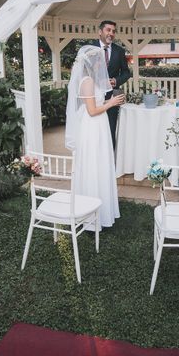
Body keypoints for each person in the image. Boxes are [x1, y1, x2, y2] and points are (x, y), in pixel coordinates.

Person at [65, 45, 126, 229]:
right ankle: (92, 216)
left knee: (98, 165)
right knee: (94, 165)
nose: (102, 65)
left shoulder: (89, 80)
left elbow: (94, 103)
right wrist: (112, 103)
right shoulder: (88, 82)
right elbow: (92, 111)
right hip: (92, 126)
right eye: (99, 61)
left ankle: (101, 208)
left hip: (96, 125)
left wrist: (107, 101)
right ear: (92, 63)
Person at [93, 20, 131, 148]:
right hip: (93, 97)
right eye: (108, 30)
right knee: (95, 131)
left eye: (113, 31)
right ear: (100, 32)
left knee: (110, 129)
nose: (111, 33)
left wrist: (116, 80)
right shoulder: (90, 49)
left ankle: (111, 164)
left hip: (112, 98)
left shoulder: (119, 51)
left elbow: (126, 72)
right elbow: (83, 72)